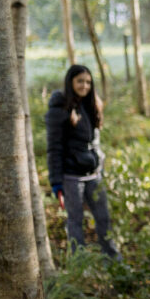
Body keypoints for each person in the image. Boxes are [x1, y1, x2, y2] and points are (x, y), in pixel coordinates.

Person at [46, 64, 120, 260]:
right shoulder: (59, 109)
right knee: (75, 221)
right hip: (71, 178)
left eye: (88, 82)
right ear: (71, 82)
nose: (84, 85)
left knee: (103, 217)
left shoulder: (90, 105)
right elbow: (54, 148)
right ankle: (80, 264)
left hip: (94, 175)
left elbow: (95, 143)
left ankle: (112, 258)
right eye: (80, 81)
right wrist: (56, 183)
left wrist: (100, 166)